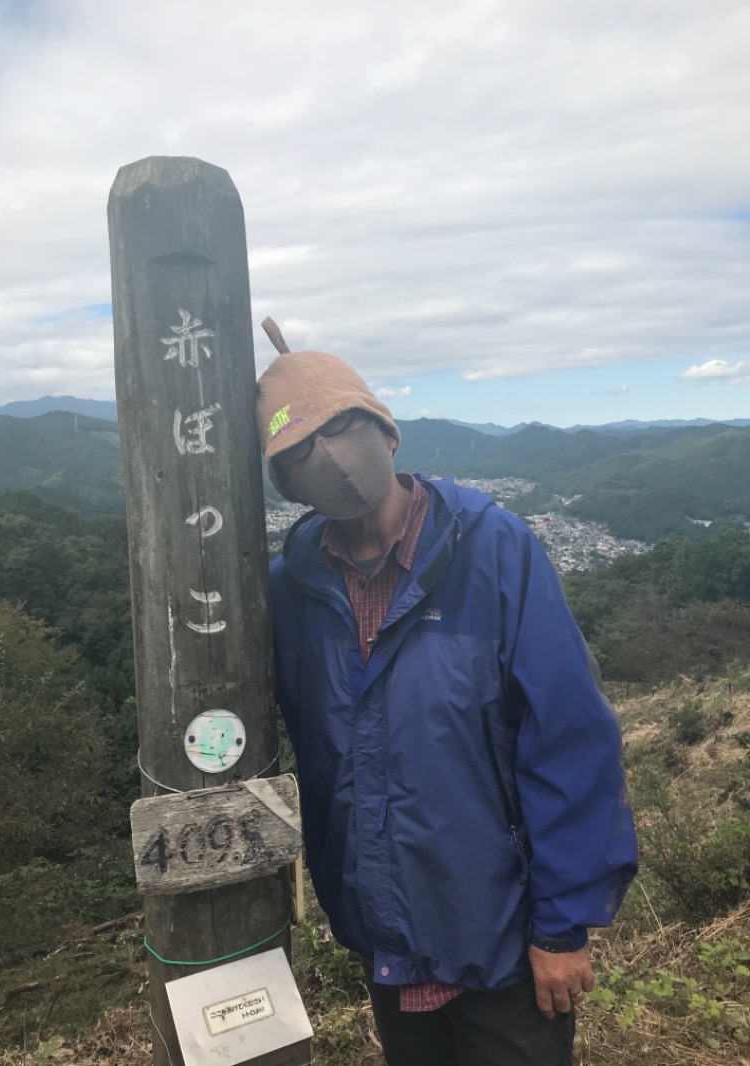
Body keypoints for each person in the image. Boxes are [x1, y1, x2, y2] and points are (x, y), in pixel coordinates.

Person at [256, 328, 638, 1066]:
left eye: (343, 428)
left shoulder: (493, 550)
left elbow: (569, 734)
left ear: (387, 433)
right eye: (299, 453)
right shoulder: (291, 590)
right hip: (386, 936)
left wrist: (561, 928)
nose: (329, 456)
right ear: (287, 485)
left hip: (503, 932)